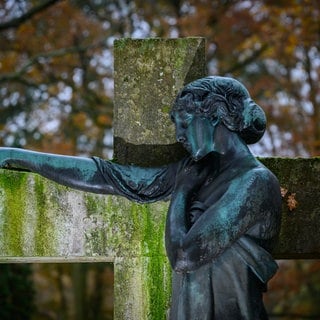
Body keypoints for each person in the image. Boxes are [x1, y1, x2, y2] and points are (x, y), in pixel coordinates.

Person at [0, 76, 281, 319]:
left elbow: (185, 255)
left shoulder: (254, 181)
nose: (179, 135)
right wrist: (18, 156)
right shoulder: (197, 170)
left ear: (215, 116)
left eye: (183, 123)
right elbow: (110, 176)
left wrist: (182, 191)